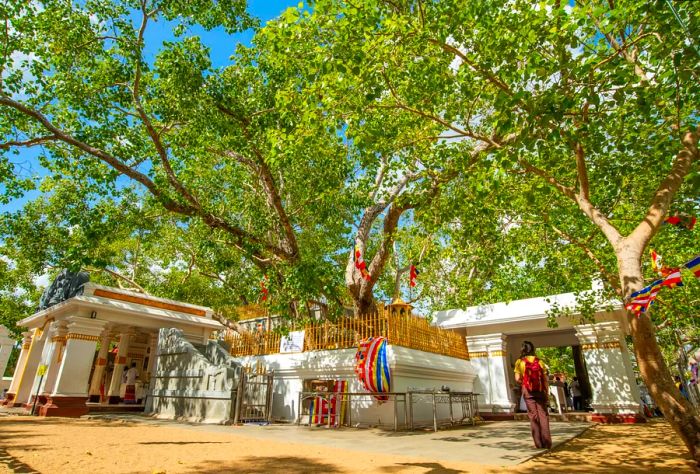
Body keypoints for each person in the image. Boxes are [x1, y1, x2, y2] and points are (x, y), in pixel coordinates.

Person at [514, 341, 552, 450]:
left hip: (528, 391)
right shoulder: (539, 362)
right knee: (543, 415)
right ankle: (547, 443)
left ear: (522, 349)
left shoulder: (519, 362)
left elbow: (517, 379)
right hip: (540, 390)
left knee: (533, 416)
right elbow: (545, 379)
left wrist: (525, 383)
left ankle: (538, 444)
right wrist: (546, 391)